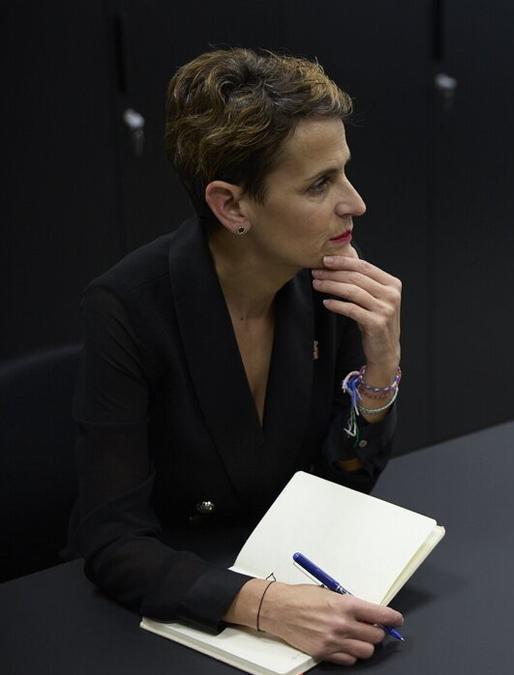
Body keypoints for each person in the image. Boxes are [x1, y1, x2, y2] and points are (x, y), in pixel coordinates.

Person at [69, 48, 406, 665]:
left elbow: (340, 483)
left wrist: (379, 378)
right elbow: (111, 541)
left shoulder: (324, 281)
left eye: (345, 172)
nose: (354, 203)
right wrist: (265, 605)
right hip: (179, 609)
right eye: (319, 184)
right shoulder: (127, 307)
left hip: (288, 569)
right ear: (231, 206)